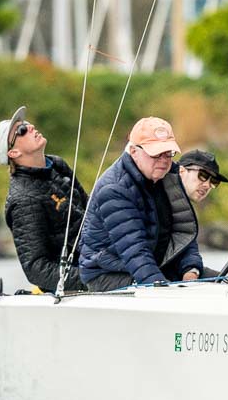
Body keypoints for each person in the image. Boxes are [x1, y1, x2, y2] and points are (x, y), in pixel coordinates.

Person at [79, 116, 204, 292]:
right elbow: (134, 250)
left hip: (156, 264)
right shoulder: (114, 189)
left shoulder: (169, 176)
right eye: (156, 153)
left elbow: (183, 231)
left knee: (221, 284)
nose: (164, 160)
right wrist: (160, 288)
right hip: (109, 274)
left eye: (168, 153)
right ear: (133, 151)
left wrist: (191, 269)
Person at [0, 105, 88, 292]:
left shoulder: (57, 164)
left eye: (26, 124)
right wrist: (92, 277)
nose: (31, 127)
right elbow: (36, 269)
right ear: (13, 153)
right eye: (22, 130)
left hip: (100, 254)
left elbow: (89, 207)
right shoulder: (23, 200)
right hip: (80, 278)